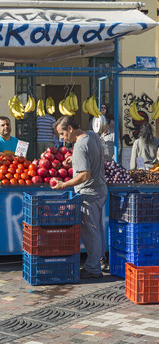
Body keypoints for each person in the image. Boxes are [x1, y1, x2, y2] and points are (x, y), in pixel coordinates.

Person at [52, 116, 107, 279]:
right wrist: (75, 161)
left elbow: (84, 175)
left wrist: (64, 185)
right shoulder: (92, 135)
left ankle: (93, 268)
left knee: (91, 232)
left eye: (62, 134)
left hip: (89, 194)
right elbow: (98, 156)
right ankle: (99, 261)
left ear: (70, 129)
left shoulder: (80, 146)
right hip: (100, 190)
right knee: (97, 229)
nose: (61, 138)